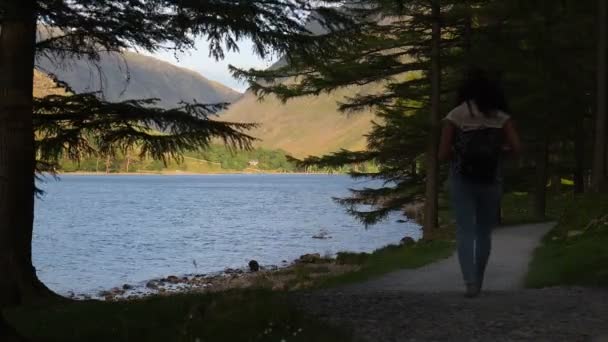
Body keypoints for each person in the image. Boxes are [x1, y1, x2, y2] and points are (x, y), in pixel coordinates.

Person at [438, 68, 521, 298]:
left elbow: (442, 154)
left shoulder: (456, 115)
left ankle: (470, 283)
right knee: (484, 232)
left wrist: (460, 153)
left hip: (462, 179)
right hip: (491, 179)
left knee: (465, 231)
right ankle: (480, 280)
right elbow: (516, 148)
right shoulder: (501, 117)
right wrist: (498, 150)